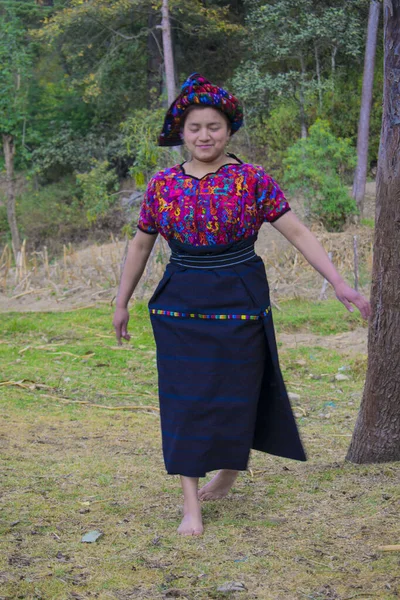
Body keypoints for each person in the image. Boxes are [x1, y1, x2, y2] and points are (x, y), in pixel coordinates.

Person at [113, 73, 371, 537]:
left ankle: (229, 469)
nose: (204, 135)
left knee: (239, 390)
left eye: (213, 126)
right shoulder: (162, 185)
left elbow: (296, 231)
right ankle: (190, 505)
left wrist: (339, 283)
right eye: (194, 128)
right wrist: (121, 302)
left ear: (228, 130)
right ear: (182, 134)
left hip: (240, 295)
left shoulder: (251, 179)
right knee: (184, 400)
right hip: (180, 302)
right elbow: (140, 246)